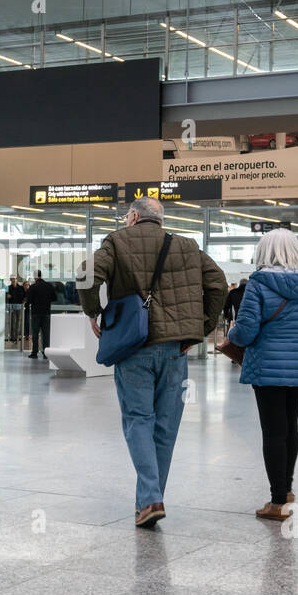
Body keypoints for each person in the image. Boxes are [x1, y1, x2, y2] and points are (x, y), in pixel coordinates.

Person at [80, 197, 226, 528]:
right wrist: (199, 329)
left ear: (132, 217)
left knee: (138, 419)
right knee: (165, 426)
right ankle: (148, 500)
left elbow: (86, 274)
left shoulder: (117, 240)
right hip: (176, 350)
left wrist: (93, 312)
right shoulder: (187, 245)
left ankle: (149, 498)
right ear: (159, 220)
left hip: (134, 347)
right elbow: (217, 282)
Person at [219, 229, 298, 521]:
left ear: (263, 252)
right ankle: (288, 488)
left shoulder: (258, 284)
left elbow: (244, 333)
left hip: (267, 368)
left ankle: (277, 501)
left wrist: (232, 332)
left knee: (273, 432)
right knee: (290, 426)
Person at [25, 270, 56, 359]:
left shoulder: (33, 287)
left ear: (35, 277)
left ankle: (34, 352)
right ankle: (46, 353)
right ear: (41, 276)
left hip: (36, 313)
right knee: (46, 333)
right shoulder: (48, 286)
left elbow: (29, 300)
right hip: (46, 312)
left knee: (35, 333)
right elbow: (54, 298)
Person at [6, 276, 26, 344]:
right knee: (12, 322)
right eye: (12, 279)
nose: (13, 280)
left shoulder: (21, 288)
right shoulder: (8, 288)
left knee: (18, 322)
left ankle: (17, 337)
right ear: (10, 280)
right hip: (12, 307)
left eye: (15, 279)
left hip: (19, 307)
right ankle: (12, 338)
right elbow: (7, 297)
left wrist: (23, 301)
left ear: (17, 280)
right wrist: (8, 296)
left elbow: (24, 297)